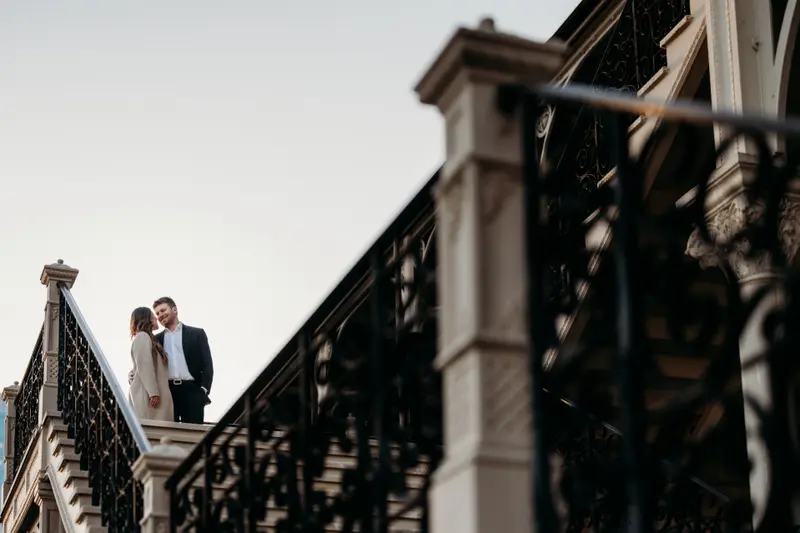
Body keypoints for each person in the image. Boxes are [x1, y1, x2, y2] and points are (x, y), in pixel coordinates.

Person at [153, 296, 214, 424]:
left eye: (163, 310)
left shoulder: (197, 334)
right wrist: (133, 372)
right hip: (168, 393)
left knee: (194, 436)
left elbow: (207, 365)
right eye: (157, 313)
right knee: (169, 435)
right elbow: (149, 363)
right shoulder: (156, 340)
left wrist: (203, 390)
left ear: (174, 309)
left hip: (193, 391)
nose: (160, 315)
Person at [128, 307, 174, 422]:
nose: (156, 318)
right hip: (148, 396)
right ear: (146, 319)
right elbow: (144, 365)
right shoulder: (142, 336)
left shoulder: (151, 339)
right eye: (153, 316)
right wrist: (153, 393)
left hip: (156, 394)